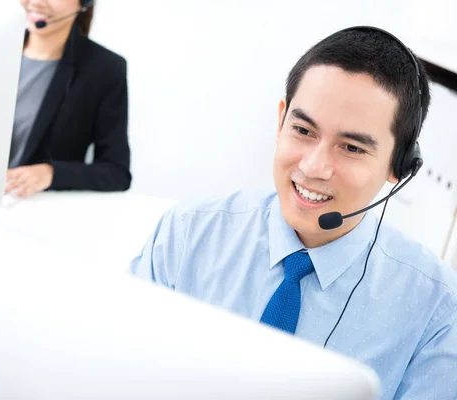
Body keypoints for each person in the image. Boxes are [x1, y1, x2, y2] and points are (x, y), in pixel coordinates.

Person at [129, 26, 457, 400]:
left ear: (399, 166)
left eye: (351, 148)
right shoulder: (186, 234)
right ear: (281, 120)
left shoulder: (436, 308)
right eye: (303, 130)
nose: (315, 166)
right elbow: (117, 368)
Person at [5, 0, 131, 197]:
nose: (37, 2)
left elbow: (116, 172)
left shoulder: (104, 69)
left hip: (32, 208)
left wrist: (51, 173)